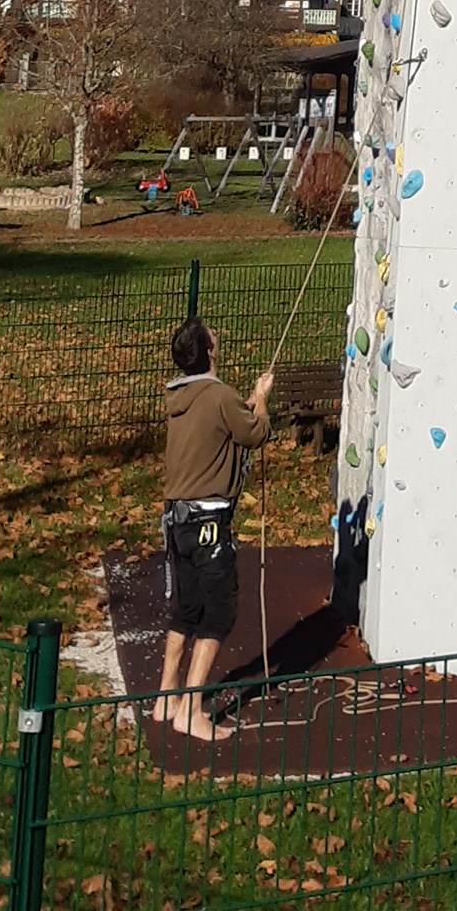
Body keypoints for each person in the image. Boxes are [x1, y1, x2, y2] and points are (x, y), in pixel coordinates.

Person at [158, 314, 274, 743]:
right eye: (213, 337)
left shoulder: (182, 397)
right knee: (218, 612)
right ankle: (190, 709)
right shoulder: (219, 394)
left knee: (187, 608)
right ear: (208, 351)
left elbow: (225, 429)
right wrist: (261, 397)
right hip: (208, 522)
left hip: (176, 520)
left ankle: (165, 697)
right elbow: (255, 433)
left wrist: (244, 408)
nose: (217, 338)